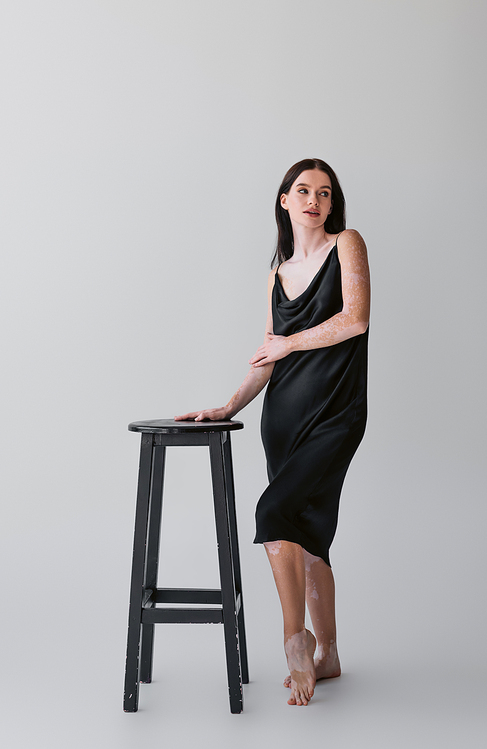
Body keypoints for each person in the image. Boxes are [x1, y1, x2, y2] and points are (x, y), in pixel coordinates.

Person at [175, 158, 370, 707]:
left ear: (333, 205)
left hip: (337, 414)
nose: (314, 200)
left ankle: (294, 641)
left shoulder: (347, 244)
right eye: (303, 190)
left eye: (325, 193)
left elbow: (355, 318)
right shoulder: (277, 274)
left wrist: (290, 343)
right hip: (282, 421)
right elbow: (267, 357)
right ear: (284, 200)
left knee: (271, 513)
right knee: (308, 534)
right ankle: (329, 654)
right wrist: (227, 404)